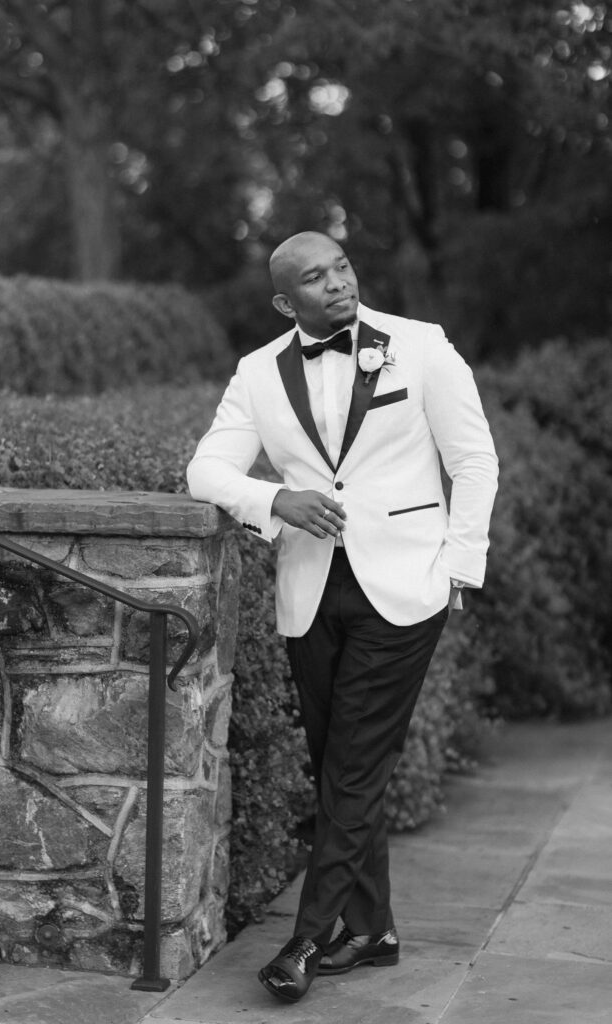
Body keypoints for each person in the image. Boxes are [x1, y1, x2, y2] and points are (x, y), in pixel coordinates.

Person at [187, 231, 498, 1003]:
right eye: (315, 279)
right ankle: (372, 929)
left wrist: (459, 567)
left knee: (354, 766)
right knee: (338, 766)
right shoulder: (258, 373)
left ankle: (308, 937)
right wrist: (272, 499)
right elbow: (206, 469)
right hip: (310, 589)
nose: (337, 283)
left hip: (406, 583)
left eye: (343, 267)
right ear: (285, 302)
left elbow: (473, 460)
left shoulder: (420, 348)